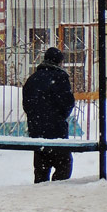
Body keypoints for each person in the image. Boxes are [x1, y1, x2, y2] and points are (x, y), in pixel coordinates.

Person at [22, 47, 76, 183]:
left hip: (37, 133)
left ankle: (40, 197)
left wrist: (36, 119)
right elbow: (67, 103)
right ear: (59, 62)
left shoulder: (32, 79)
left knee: (41, 170)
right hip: (56, 132)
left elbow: (27, 105)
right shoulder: (60, 77)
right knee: (64, 166)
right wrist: (59, 117)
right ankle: (55, 193)